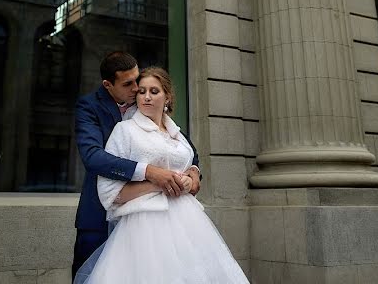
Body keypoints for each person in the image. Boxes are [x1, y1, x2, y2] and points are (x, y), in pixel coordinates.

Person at [74, 67, 249, 284]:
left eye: (154, 91)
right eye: (142, 91)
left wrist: (191, 175)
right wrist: (158, 182)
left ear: (167, 97)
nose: (146, 96)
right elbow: (111, 192)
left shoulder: (177, 134)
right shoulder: (124, 130)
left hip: (189, 224)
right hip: (144, 226)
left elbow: (191, 160)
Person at [72, 52, 201, 279]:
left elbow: (185, 148)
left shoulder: (147, 105)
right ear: (108, 85)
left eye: (138, 79)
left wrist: (194, 172)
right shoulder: (89, 107)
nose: (137, 88)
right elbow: (93, 156)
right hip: (99, 212)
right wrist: (149, 172)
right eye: (128, 84)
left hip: (157, 221)